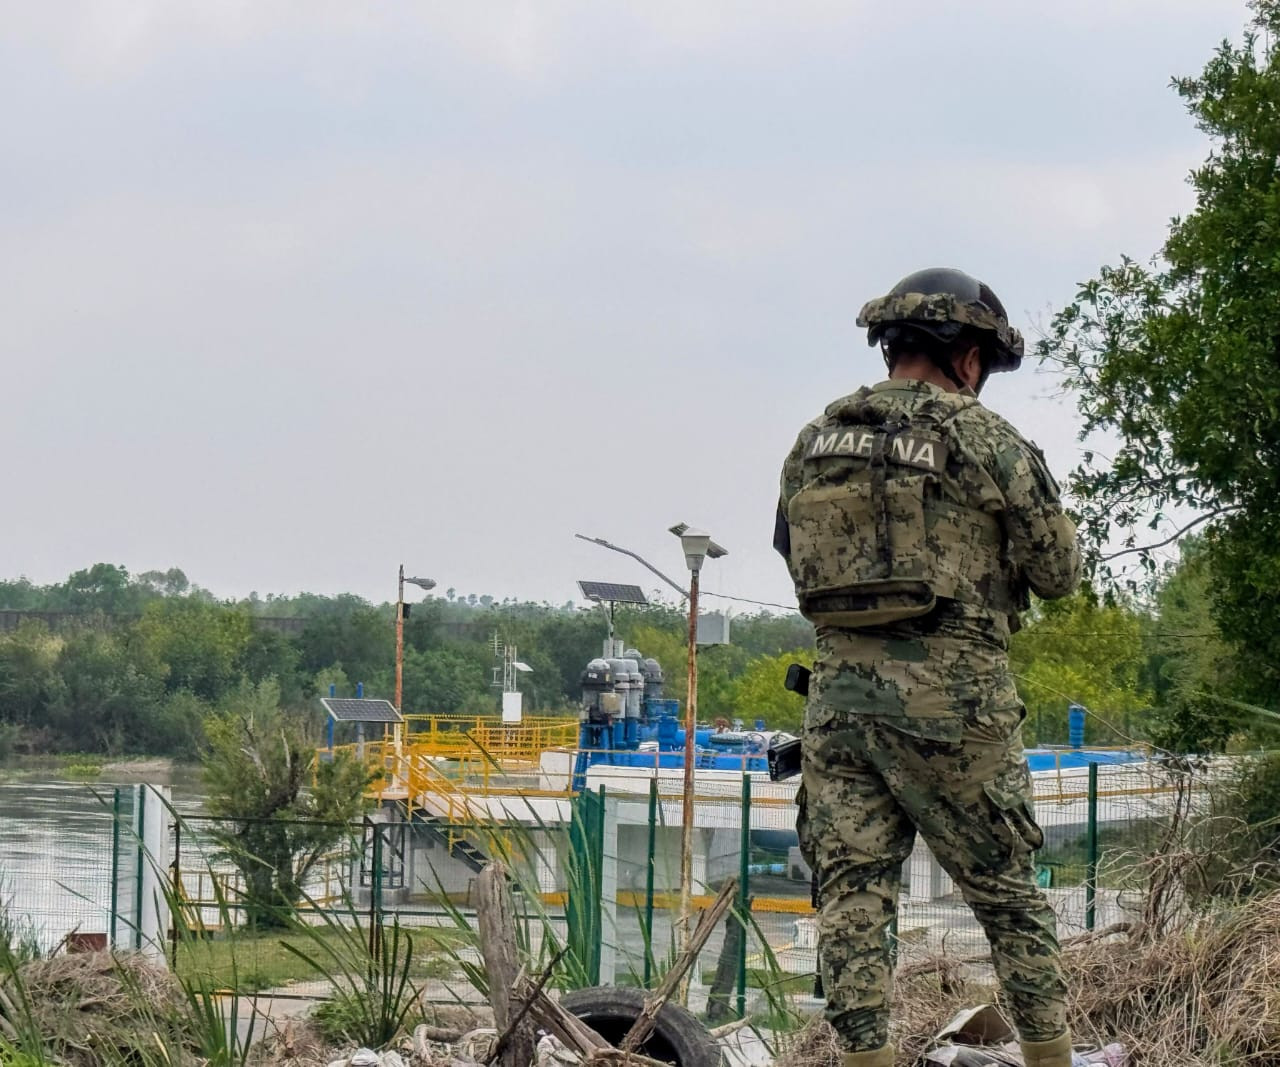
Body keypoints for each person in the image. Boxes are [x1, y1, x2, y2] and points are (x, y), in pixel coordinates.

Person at [774, 268, 1081, 1067]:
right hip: (954, 701)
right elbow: (1058, 570)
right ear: (969, 356)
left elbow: (794, 557)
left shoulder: (815, 439)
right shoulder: (984, 437)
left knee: (852, 899)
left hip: (838, 704)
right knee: (1009, 897)